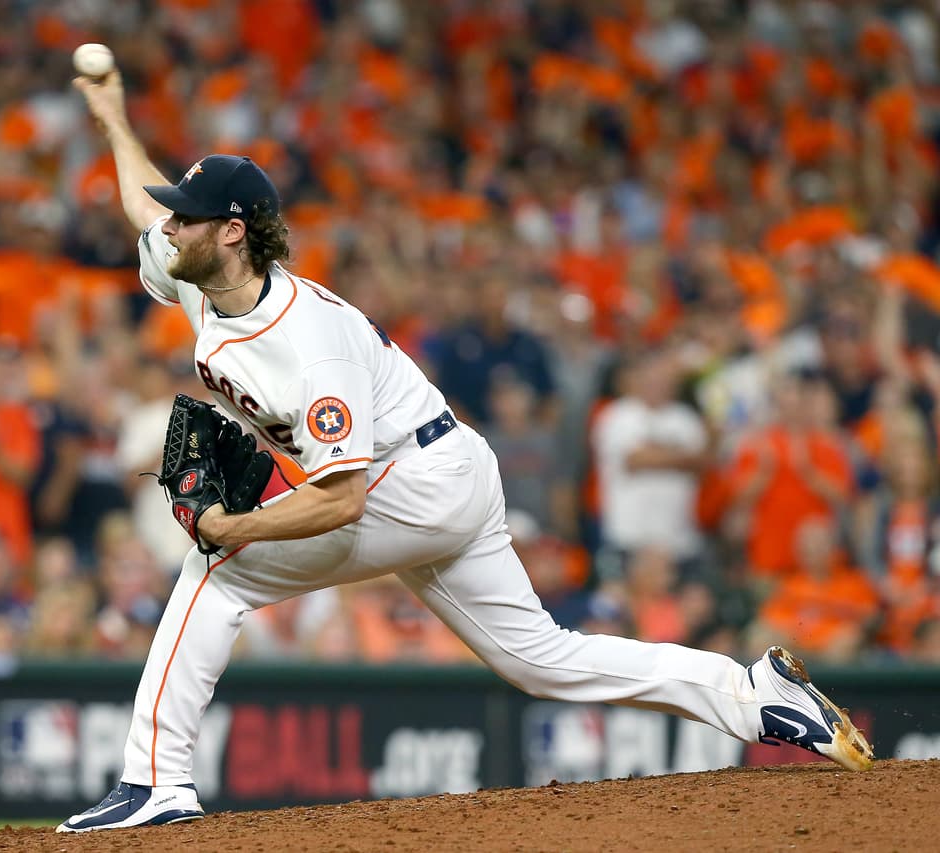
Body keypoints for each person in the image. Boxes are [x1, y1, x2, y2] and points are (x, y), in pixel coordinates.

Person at [57, 69, 873, 834]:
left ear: (232, 233)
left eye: (186, 217)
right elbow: (139, 205)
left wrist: (232, 527)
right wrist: (112, 114)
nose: (167, 228)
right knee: (541, 658)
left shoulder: (311, 342)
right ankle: (755, 696)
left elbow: (340, 500)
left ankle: (155, 782)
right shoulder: (199, 273)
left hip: (412, 479)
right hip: (438, 470)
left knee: (214, 570)